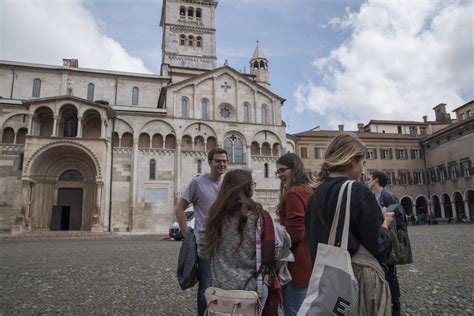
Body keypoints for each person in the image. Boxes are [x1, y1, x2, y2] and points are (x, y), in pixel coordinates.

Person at [305, 132, 393, 287]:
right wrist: (385, 224)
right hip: (351, 284)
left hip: (324, 283)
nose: (363, 171)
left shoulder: (314, 196)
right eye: (363, 163)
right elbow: (377, 247)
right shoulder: (357, 190)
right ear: (353, 161)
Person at [198, 169, 273, 310]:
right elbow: (269, 254)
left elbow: (203, 251)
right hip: (250, 290)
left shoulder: (213, 216)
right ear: (248, 189)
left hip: (220, 289)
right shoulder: (258, 217)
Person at [174, 147, 228, 316]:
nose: (222, 164)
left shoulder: (227, 182)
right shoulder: (197, 182)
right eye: (218, 161)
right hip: (204, 242)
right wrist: (187, 234)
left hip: (225, 241)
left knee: (223, 283)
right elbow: (180, 209)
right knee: (206, 284)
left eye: (224, 161)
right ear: (210, 162)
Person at [275, 153, 313, 316]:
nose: (280, 175)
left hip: (296, 262)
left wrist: (277, 233)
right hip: (308, 258)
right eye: (278, 172)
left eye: (283, 170)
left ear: (294, 169)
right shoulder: (308, 190)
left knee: (293, 310)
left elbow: (295, 233)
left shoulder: (293, 193)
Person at [367, 170, 407, 316]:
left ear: (376, 180)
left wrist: (392, 233)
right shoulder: (374, 197)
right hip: (380, 239)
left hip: (388, 240)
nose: (368, 181)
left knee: (390, 274)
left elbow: (400, 217)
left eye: (369, 179)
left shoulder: (387, 196)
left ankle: (395, 307)